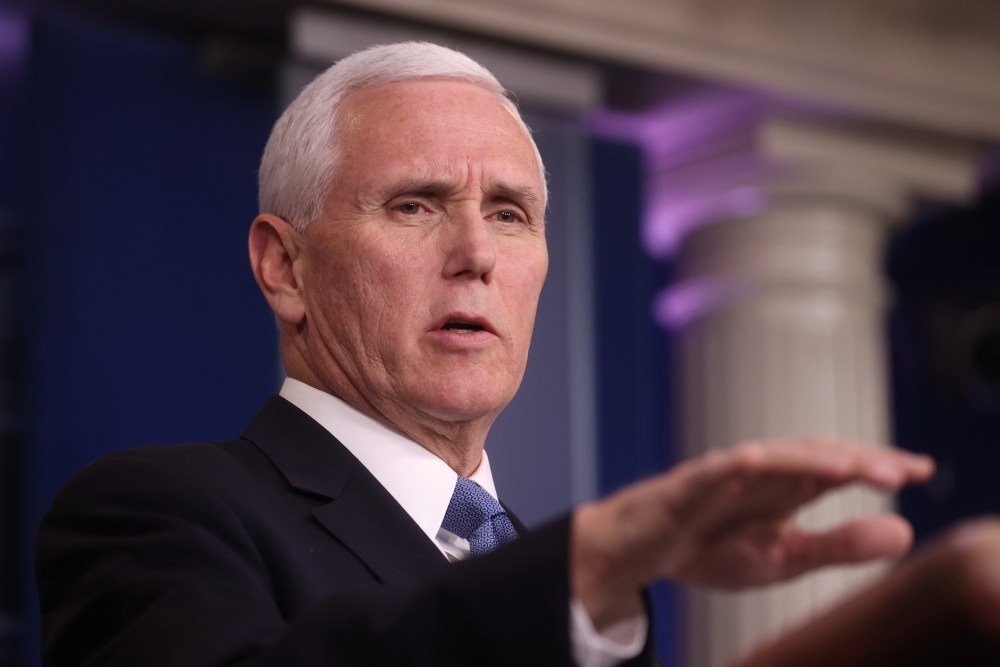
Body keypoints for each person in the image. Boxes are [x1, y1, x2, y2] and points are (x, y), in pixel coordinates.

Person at [35, 42, 934, 667]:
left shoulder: (573, 582)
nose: (477, 253)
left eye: (509, 213)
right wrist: (583, 570)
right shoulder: (160, 512)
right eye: (415, 204)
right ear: (285, 267)